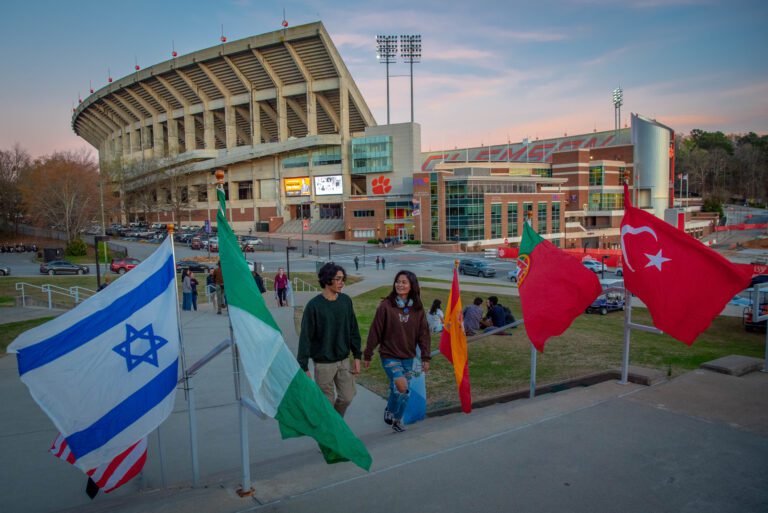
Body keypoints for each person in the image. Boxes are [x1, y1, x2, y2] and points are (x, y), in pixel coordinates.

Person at [364, 270, 431, 433]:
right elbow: (375, 331)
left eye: (404, 282)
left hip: (408, 357)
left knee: (403, 392)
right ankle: (391, 411)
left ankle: (396, 418)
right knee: (401, 387)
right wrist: (368, 353)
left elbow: (424, 334)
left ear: (411, 286)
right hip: (389, 355)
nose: (400, 285)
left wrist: (425, 357)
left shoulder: (417, 308)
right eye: (398, 281)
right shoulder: (386, 306)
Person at [297, 263, 362, 417]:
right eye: (338, 279)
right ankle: (332, 432)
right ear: (327, 280)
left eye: (343, 279)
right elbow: (305, 337)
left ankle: (335, 423)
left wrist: (357, 356)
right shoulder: (314, 306)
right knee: (326, 404)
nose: (342, 282)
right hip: (323, 364)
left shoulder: (346, 301)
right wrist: (304, 366)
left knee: (347, 397)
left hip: (343, 361)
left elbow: (353, 329)